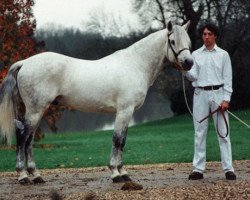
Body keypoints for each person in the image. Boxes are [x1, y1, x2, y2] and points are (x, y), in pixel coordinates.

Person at [184, 23, 236, 180]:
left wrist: (226, 99)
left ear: (215, 36)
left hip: (218, 94)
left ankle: (228, 169)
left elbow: (228, 79)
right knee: (199, 132)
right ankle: (198, 169)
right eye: (204, 34)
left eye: (209, 34)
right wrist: (184, 69)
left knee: (223, 133)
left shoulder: (223, 55)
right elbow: (193, 76)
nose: (206, 37)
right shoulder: (195, 54)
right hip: (200, 94)